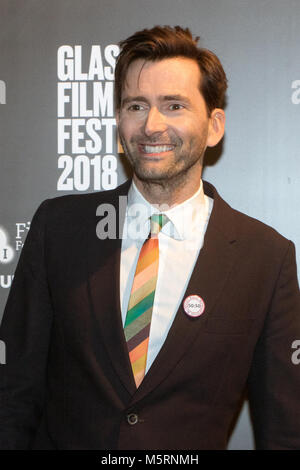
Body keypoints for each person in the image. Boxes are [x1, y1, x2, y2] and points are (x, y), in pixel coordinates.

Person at [0, 25, 300, 451]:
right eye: (136, 105)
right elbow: (13, 393)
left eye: (174, 105)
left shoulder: (265, 258)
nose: (151, 125)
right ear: (120, 119)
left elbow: (285, 429)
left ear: (214, 126)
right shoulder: (59, 228)